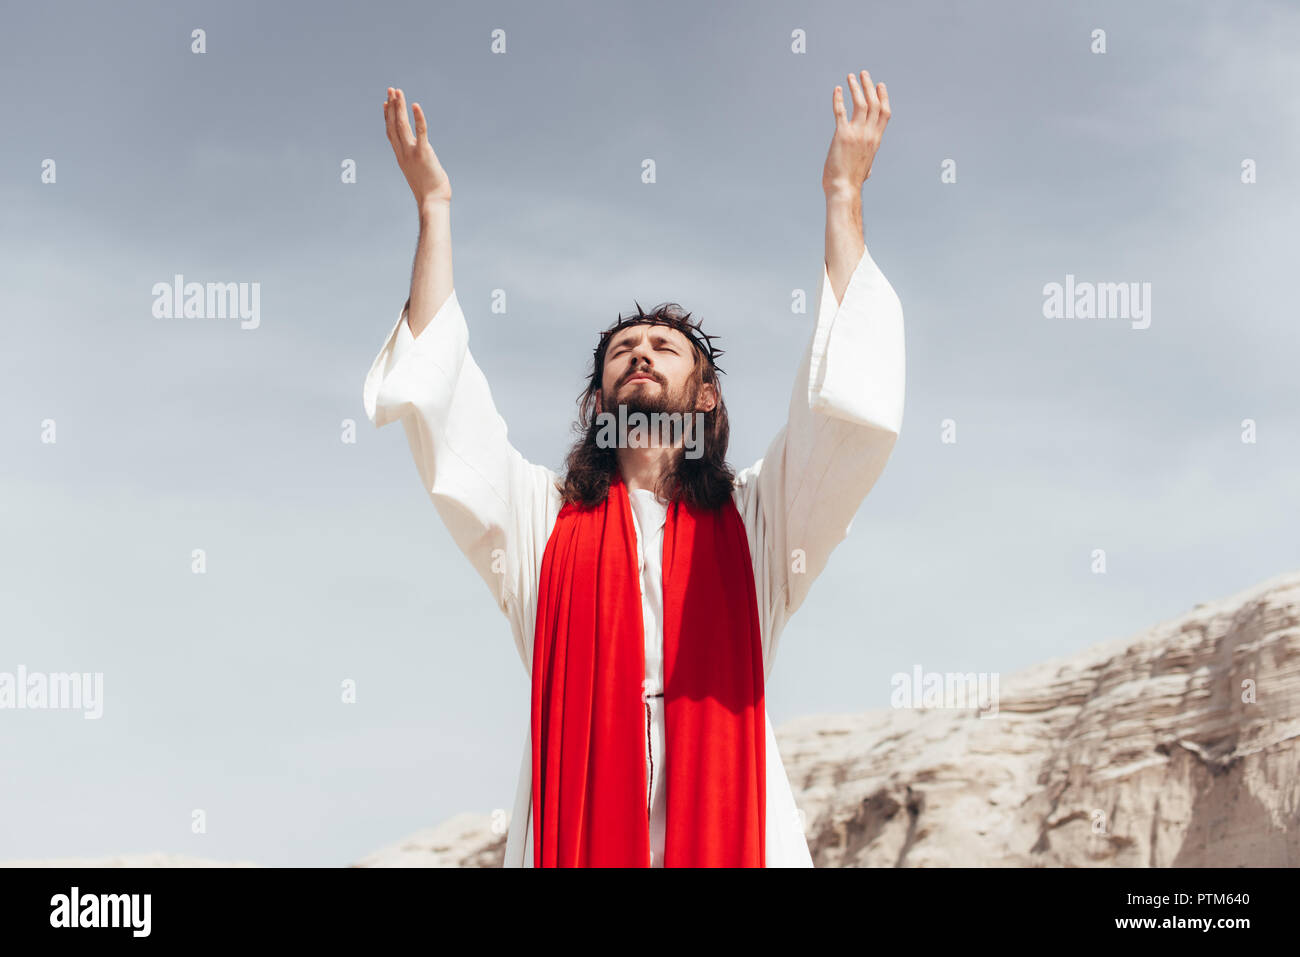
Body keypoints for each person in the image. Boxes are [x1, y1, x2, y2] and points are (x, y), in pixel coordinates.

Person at [364, 71, 905, 867]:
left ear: (705, 392)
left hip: (735, 828)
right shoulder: (540, 523)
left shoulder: (760, 523)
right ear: (599, 396)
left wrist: (842, 195)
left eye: (663, 347)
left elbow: (841, 423)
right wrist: (433, 212)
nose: (641, 354)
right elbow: (443, 413)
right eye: (623, 351)